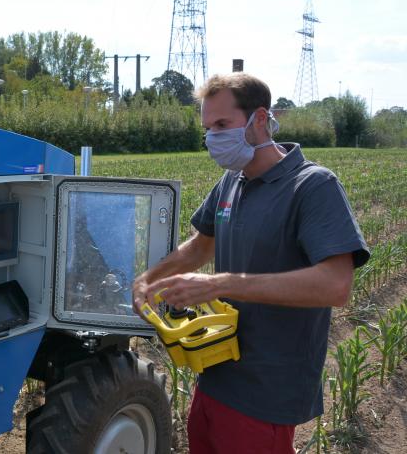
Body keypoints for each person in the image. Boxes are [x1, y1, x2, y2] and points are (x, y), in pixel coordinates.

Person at [132, 73, 369, 453]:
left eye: (223, 125)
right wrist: (147, 280)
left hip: (266, 392)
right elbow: (200, 244)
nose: (213, 137)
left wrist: (218, 284)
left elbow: (334, 285)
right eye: (208, 128)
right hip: (215, 374)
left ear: (260, 119)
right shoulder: (231, 181)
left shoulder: (312, 186)